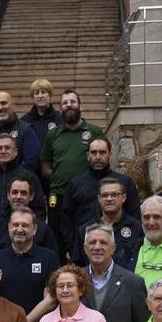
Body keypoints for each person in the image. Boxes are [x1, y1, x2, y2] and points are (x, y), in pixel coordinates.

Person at [40, 90, 104, 257]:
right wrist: (55, 177)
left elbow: (102, 157)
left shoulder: (95, 131)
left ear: (80, 105)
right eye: (65, 103)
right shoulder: (53, 134)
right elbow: (45, 164)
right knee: (57, 236)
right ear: (60, 108)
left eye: (72, 102)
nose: (69, 105)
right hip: (58, 195)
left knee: (86, 234)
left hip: (86, 195)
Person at [61, 136, 139, 237]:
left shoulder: (125, 182)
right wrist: (71, 247)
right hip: (85, 244)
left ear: (110, 154)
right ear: (88, 155)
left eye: (102, 152)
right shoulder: (75, 184)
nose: (98, 157)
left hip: (121, 243)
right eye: (93, 152)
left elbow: (135, 214)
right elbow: (66, 219)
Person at [70, 178, 142, 267]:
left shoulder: (137, 228)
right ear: (99, 199)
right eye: (105, 195)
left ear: (123, 198)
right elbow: (78, 264)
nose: (109, 198)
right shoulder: (85, 230)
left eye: (114, 195)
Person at [0, 175, 56, 253]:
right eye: (14, 192)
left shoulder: (43, 230)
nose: (18, 196)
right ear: (8, 195)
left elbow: (52, 260)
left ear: (31, 196)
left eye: (23, 193)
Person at [20, 78, 63, 145]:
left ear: (50, 95)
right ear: (32, 97)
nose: (40, 96)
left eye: (43, 92)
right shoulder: (24, 121)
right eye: (36, 93)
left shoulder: (60, 119)